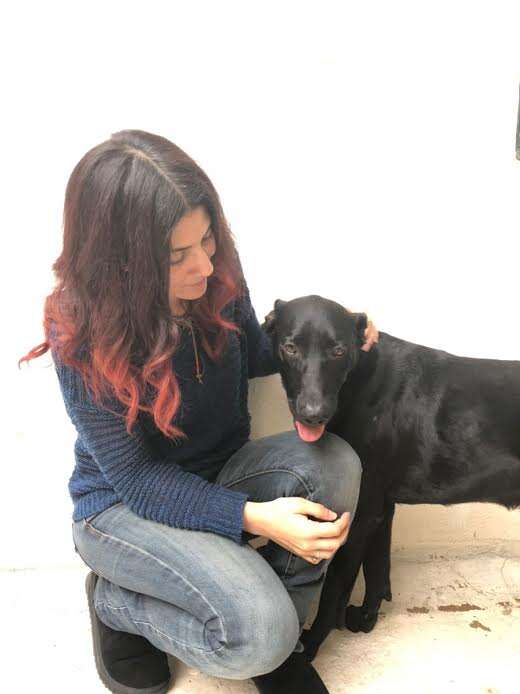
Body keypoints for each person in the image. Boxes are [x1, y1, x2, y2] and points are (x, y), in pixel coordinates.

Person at [19, 130, 378, 694]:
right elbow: (138, 480)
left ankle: (274, 640)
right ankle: (118, 602)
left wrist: (337, 337)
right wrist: (255, 519)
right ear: (119, 265)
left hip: (218, 474)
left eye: (207, 240)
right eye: (177, 256)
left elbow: (256, 354)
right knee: (257, 632)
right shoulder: (82, 336)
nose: (204, 266)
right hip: (121, 510)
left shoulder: (217, 282)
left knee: (336, 466)